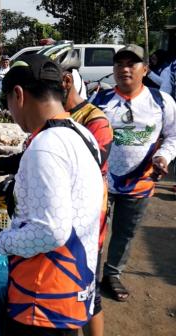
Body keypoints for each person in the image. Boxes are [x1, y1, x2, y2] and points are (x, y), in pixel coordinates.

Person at [0, 47, 114, 336]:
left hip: (42, 298)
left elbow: (51, 231)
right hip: (72, 289)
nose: (12, 113)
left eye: (9, 103)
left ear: (19, 94)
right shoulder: (80, 133)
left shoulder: (46, 145)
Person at [92, 44, 176, 302]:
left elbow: (173, 136)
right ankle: (89, 276)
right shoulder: (101, 100)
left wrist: (164, 156)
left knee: (125, 232)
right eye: (119, 64)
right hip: (101, 182)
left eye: (132, 64)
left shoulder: (161, 101)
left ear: (145, 70)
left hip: (140, 182)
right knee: (92, 231)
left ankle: (112, 274)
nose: (124, 69)